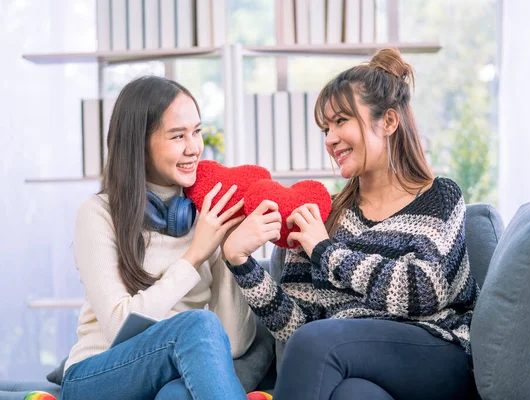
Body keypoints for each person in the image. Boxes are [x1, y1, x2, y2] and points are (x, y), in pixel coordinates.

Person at [222, 48, 479, 399]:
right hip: (352, 361)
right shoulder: (324, 216)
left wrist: (325, 252)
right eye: (326, 128)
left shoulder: (439, 197)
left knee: (319, 344)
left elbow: (424, 290)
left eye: (341, 121)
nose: (329, 139)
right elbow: (301, 326)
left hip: (435, 352)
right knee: (352, 394)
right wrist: (242, 264)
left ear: (388, 121)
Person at [61, 76, 267, 400]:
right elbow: (118, 328)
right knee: (196, 324)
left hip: (170, 369)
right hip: (97, 374)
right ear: (139, 143)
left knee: (179, 395)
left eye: (197, 131)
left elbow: (235, 342)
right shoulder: (97, 214)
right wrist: (194, 256)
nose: (194, 148)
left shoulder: (206, 215)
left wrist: (230, 254)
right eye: (177, 136)